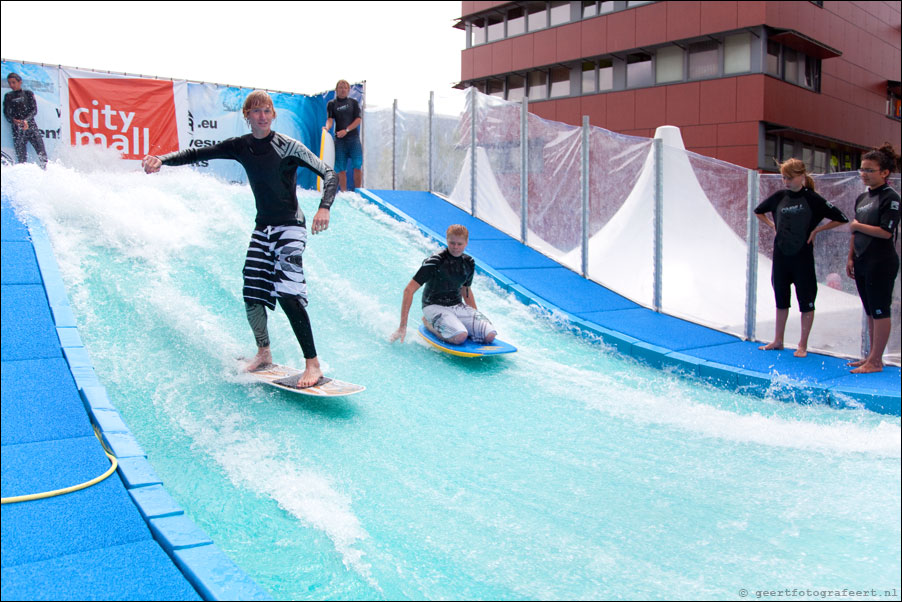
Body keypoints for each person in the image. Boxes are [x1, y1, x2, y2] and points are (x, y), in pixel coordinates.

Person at [142, 90, 338, 388]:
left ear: (274, 115)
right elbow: (197, 154)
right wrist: (162, 159)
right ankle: (264, 352)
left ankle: (313, 365)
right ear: (247, 116)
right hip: (263, 228)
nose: (262, 116)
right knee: (252, 292)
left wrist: (324, 206)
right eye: (256, 111)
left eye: (267, 111)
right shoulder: (241, 146)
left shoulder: (289, 147)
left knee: (287, 293)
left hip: (290, 228)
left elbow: (329, 173)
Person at [754, 158, 848, 357]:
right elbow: (758, 211)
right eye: (783, 178)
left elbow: (841, 218)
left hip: (802, 258)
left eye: (789, 178)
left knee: (806, 301)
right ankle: (778, 340)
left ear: (801, 177)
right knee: (781, 299)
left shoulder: (812, 199)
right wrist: (772, 226)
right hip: (781, 256)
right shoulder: (780, 196)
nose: (786, 182)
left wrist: (817, 230)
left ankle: (802, 344)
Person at [390, 224, 497, 345]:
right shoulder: (434, 262)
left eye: (459, 244)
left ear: (466, 243)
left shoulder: (469, 263)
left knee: (489, 335)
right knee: (460, 336)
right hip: (433, 306)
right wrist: (402, 326)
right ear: (447, 240)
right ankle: (428, 323)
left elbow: (466, 291)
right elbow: (408, 290)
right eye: (452, 243)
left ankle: (455, 325)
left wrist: (475, 318)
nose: (455, 247)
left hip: (456, 305)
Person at [846, 143, 901, 373]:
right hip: (861, 259)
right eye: (862, 169)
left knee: (880, 310)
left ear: (884, 172)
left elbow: (885, 232)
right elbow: (854, 232)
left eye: (869, 170)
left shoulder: (891, 198)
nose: (864, 174)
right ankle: (870, 356)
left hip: (881, 261)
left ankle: (877, 361)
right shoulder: (862, 198)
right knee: (869, 309)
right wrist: (850, 258)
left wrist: (858, 225)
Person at [3, 72, 48, 168]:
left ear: (20, 82)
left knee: (42, 154)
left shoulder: (28, 94)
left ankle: (46, 174)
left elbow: (34, 110)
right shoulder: (8, 96)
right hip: (17, 130)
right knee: (21, 159)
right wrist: (13, 120)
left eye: (13, 82)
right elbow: (6, 113)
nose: (11, 85)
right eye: (9, 83)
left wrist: (26, 120)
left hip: (31, 127)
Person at [324, 79, 362, 191]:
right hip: (340, 141)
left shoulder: (353, 103)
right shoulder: (332, 104)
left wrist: (347, 130)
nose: (343, 90)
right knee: (341, 168)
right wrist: (327, 127)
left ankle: (358, 191)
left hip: (353, 138)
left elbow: (358, 120)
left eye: (345, 87)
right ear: (336, 90)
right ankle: (344, 192)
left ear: (349, 90)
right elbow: (330, 120)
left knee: (357, 165)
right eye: (340, 87)